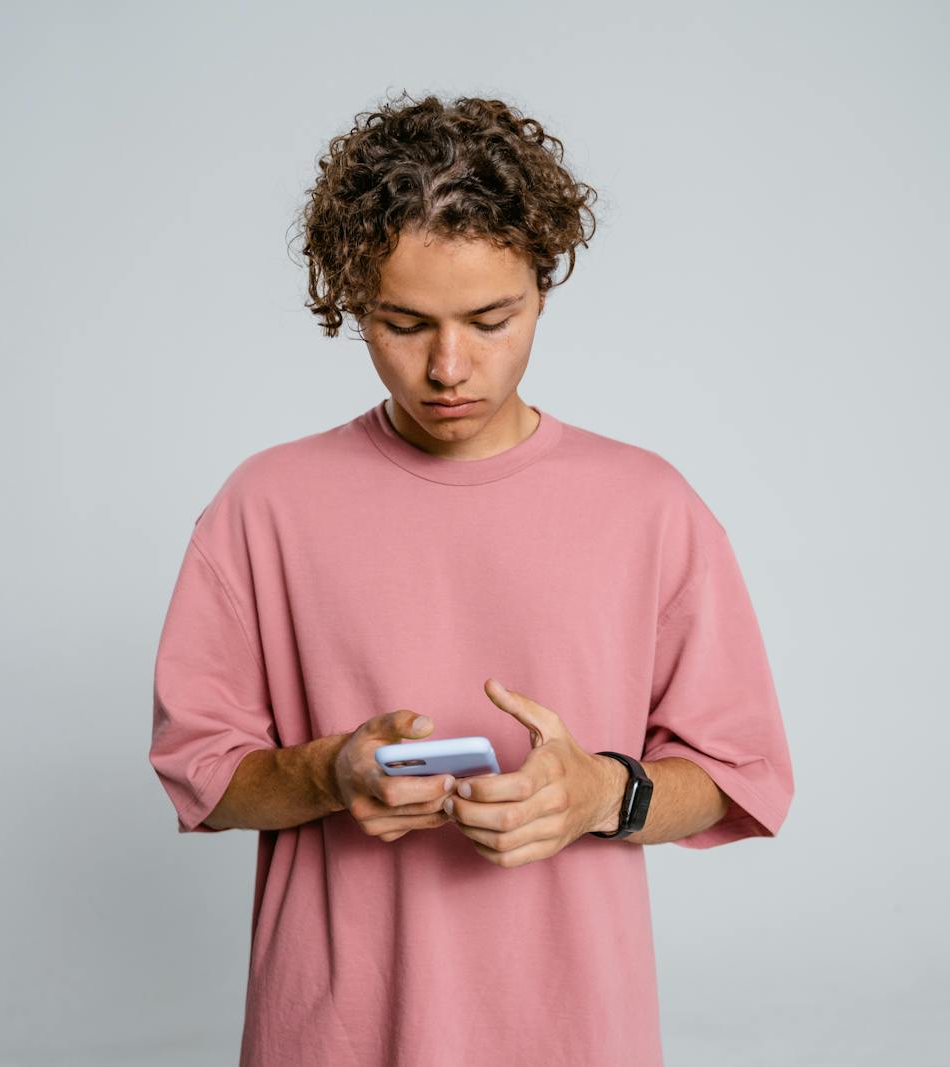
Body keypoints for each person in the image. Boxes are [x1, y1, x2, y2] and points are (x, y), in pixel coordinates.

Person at [149, 91, 795, 1067]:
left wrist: (599, 795)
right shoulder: (264, 505)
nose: (449, 366)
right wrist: (331, 770)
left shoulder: (648, 505)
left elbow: (735, 773)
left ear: (543, 285)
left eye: (490, 318)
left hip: (575, 1035)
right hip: (336, 1036)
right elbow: (204, 775)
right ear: (351, 303)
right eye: (402, 323)